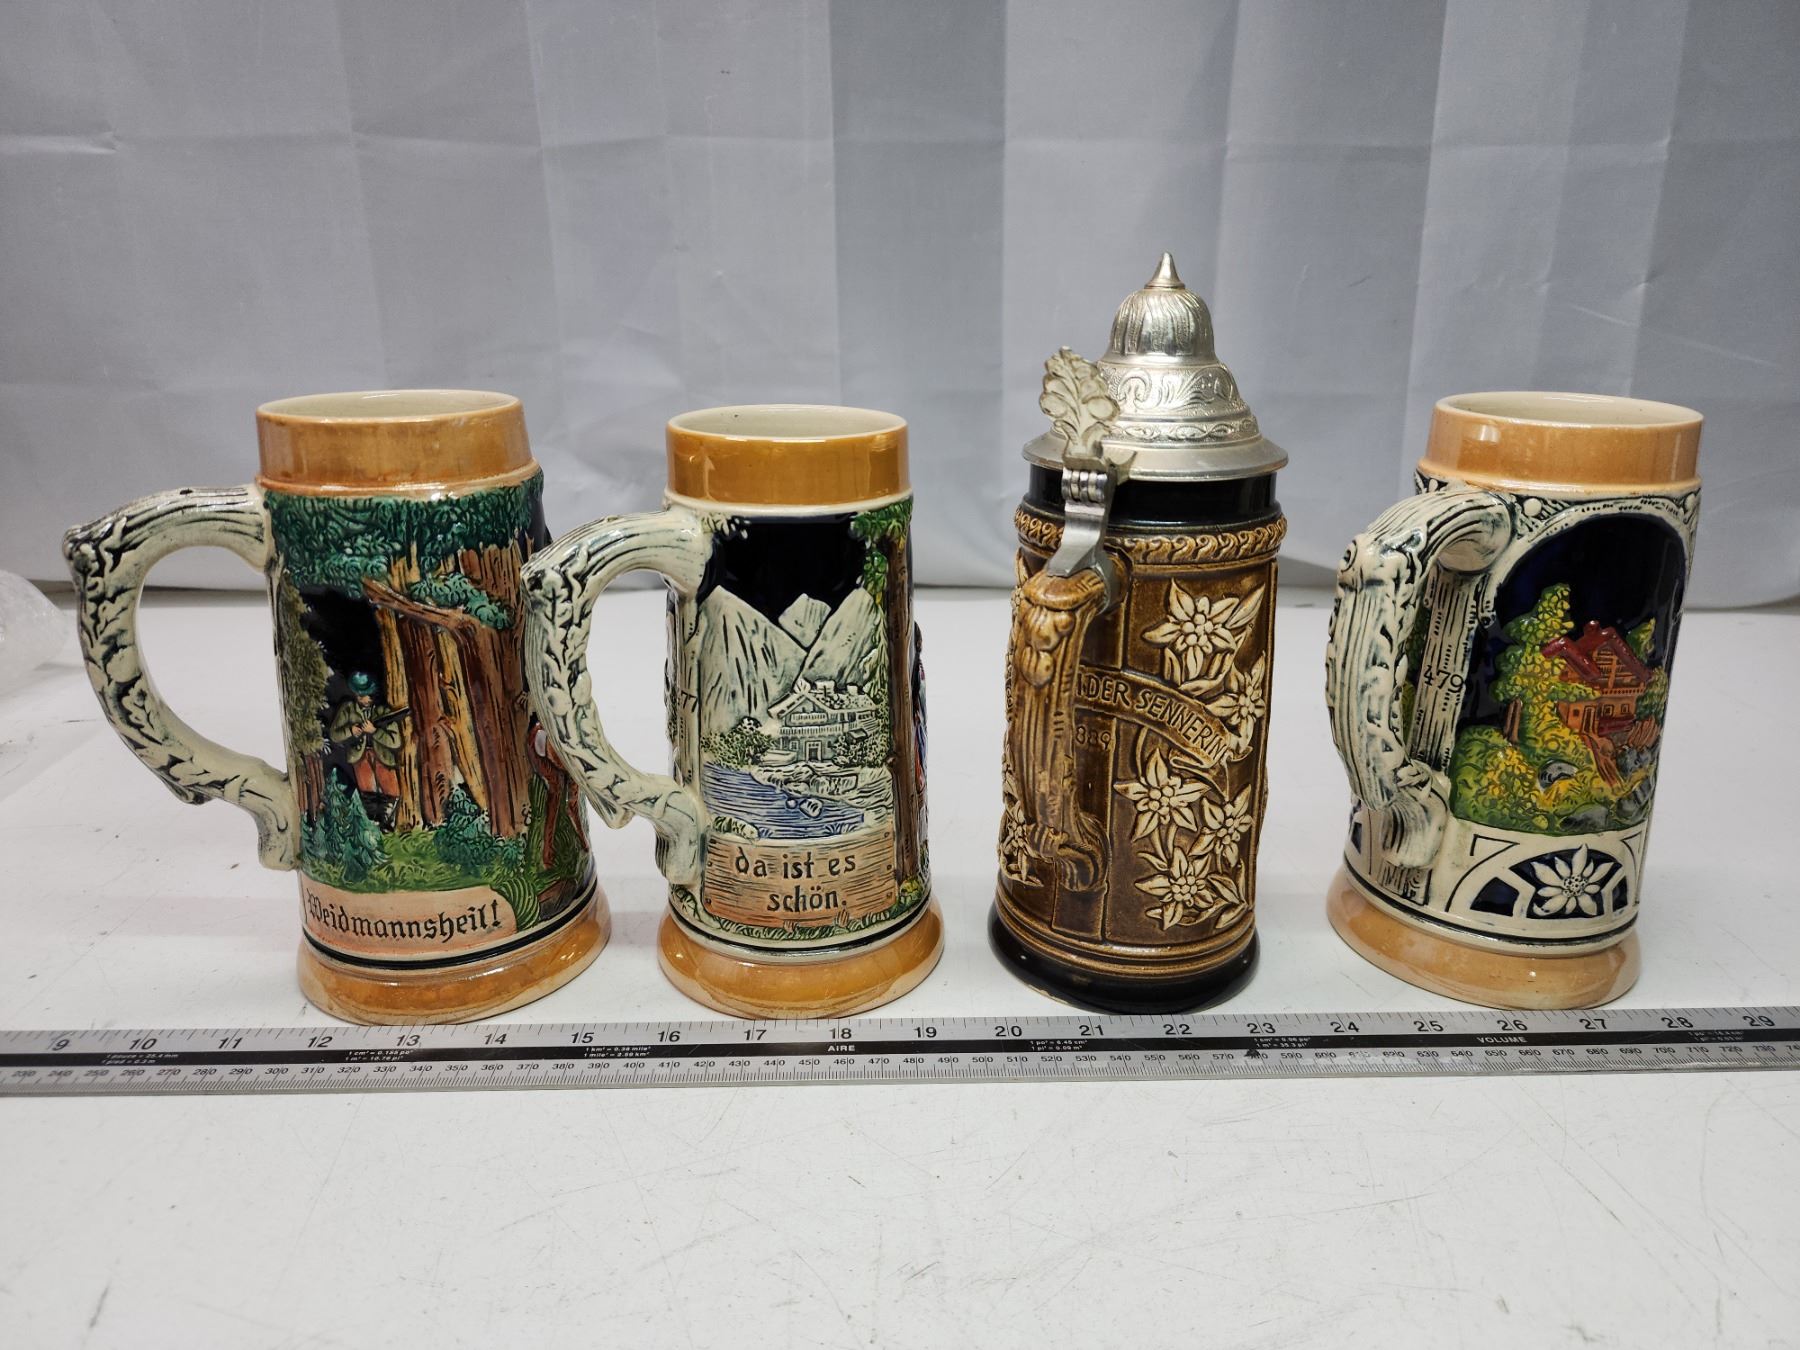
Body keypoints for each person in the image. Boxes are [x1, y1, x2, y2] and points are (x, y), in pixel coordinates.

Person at [329, 672, 403, 804]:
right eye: (362, 695)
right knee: (367, 793)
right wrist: (350, 730)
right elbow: (334, 735)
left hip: (383, 756)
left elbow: (395, 742)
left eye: (369, 695)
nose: (367, 698)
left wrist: (374, 731)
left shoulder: (383, 711)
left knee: (391, 792)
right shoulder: (348, 709)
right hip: (359, 756)